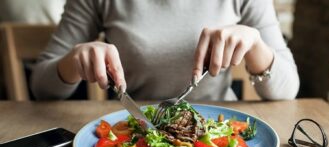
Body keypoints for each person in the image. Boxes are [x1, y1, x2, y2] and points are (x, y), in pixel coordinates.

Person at [31, 0, 299, 101]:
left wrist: (255, 45)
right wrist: (74, 60)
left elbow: (288, 89)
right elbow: (41, 86)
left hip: (221, 133)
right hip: (133, 133)